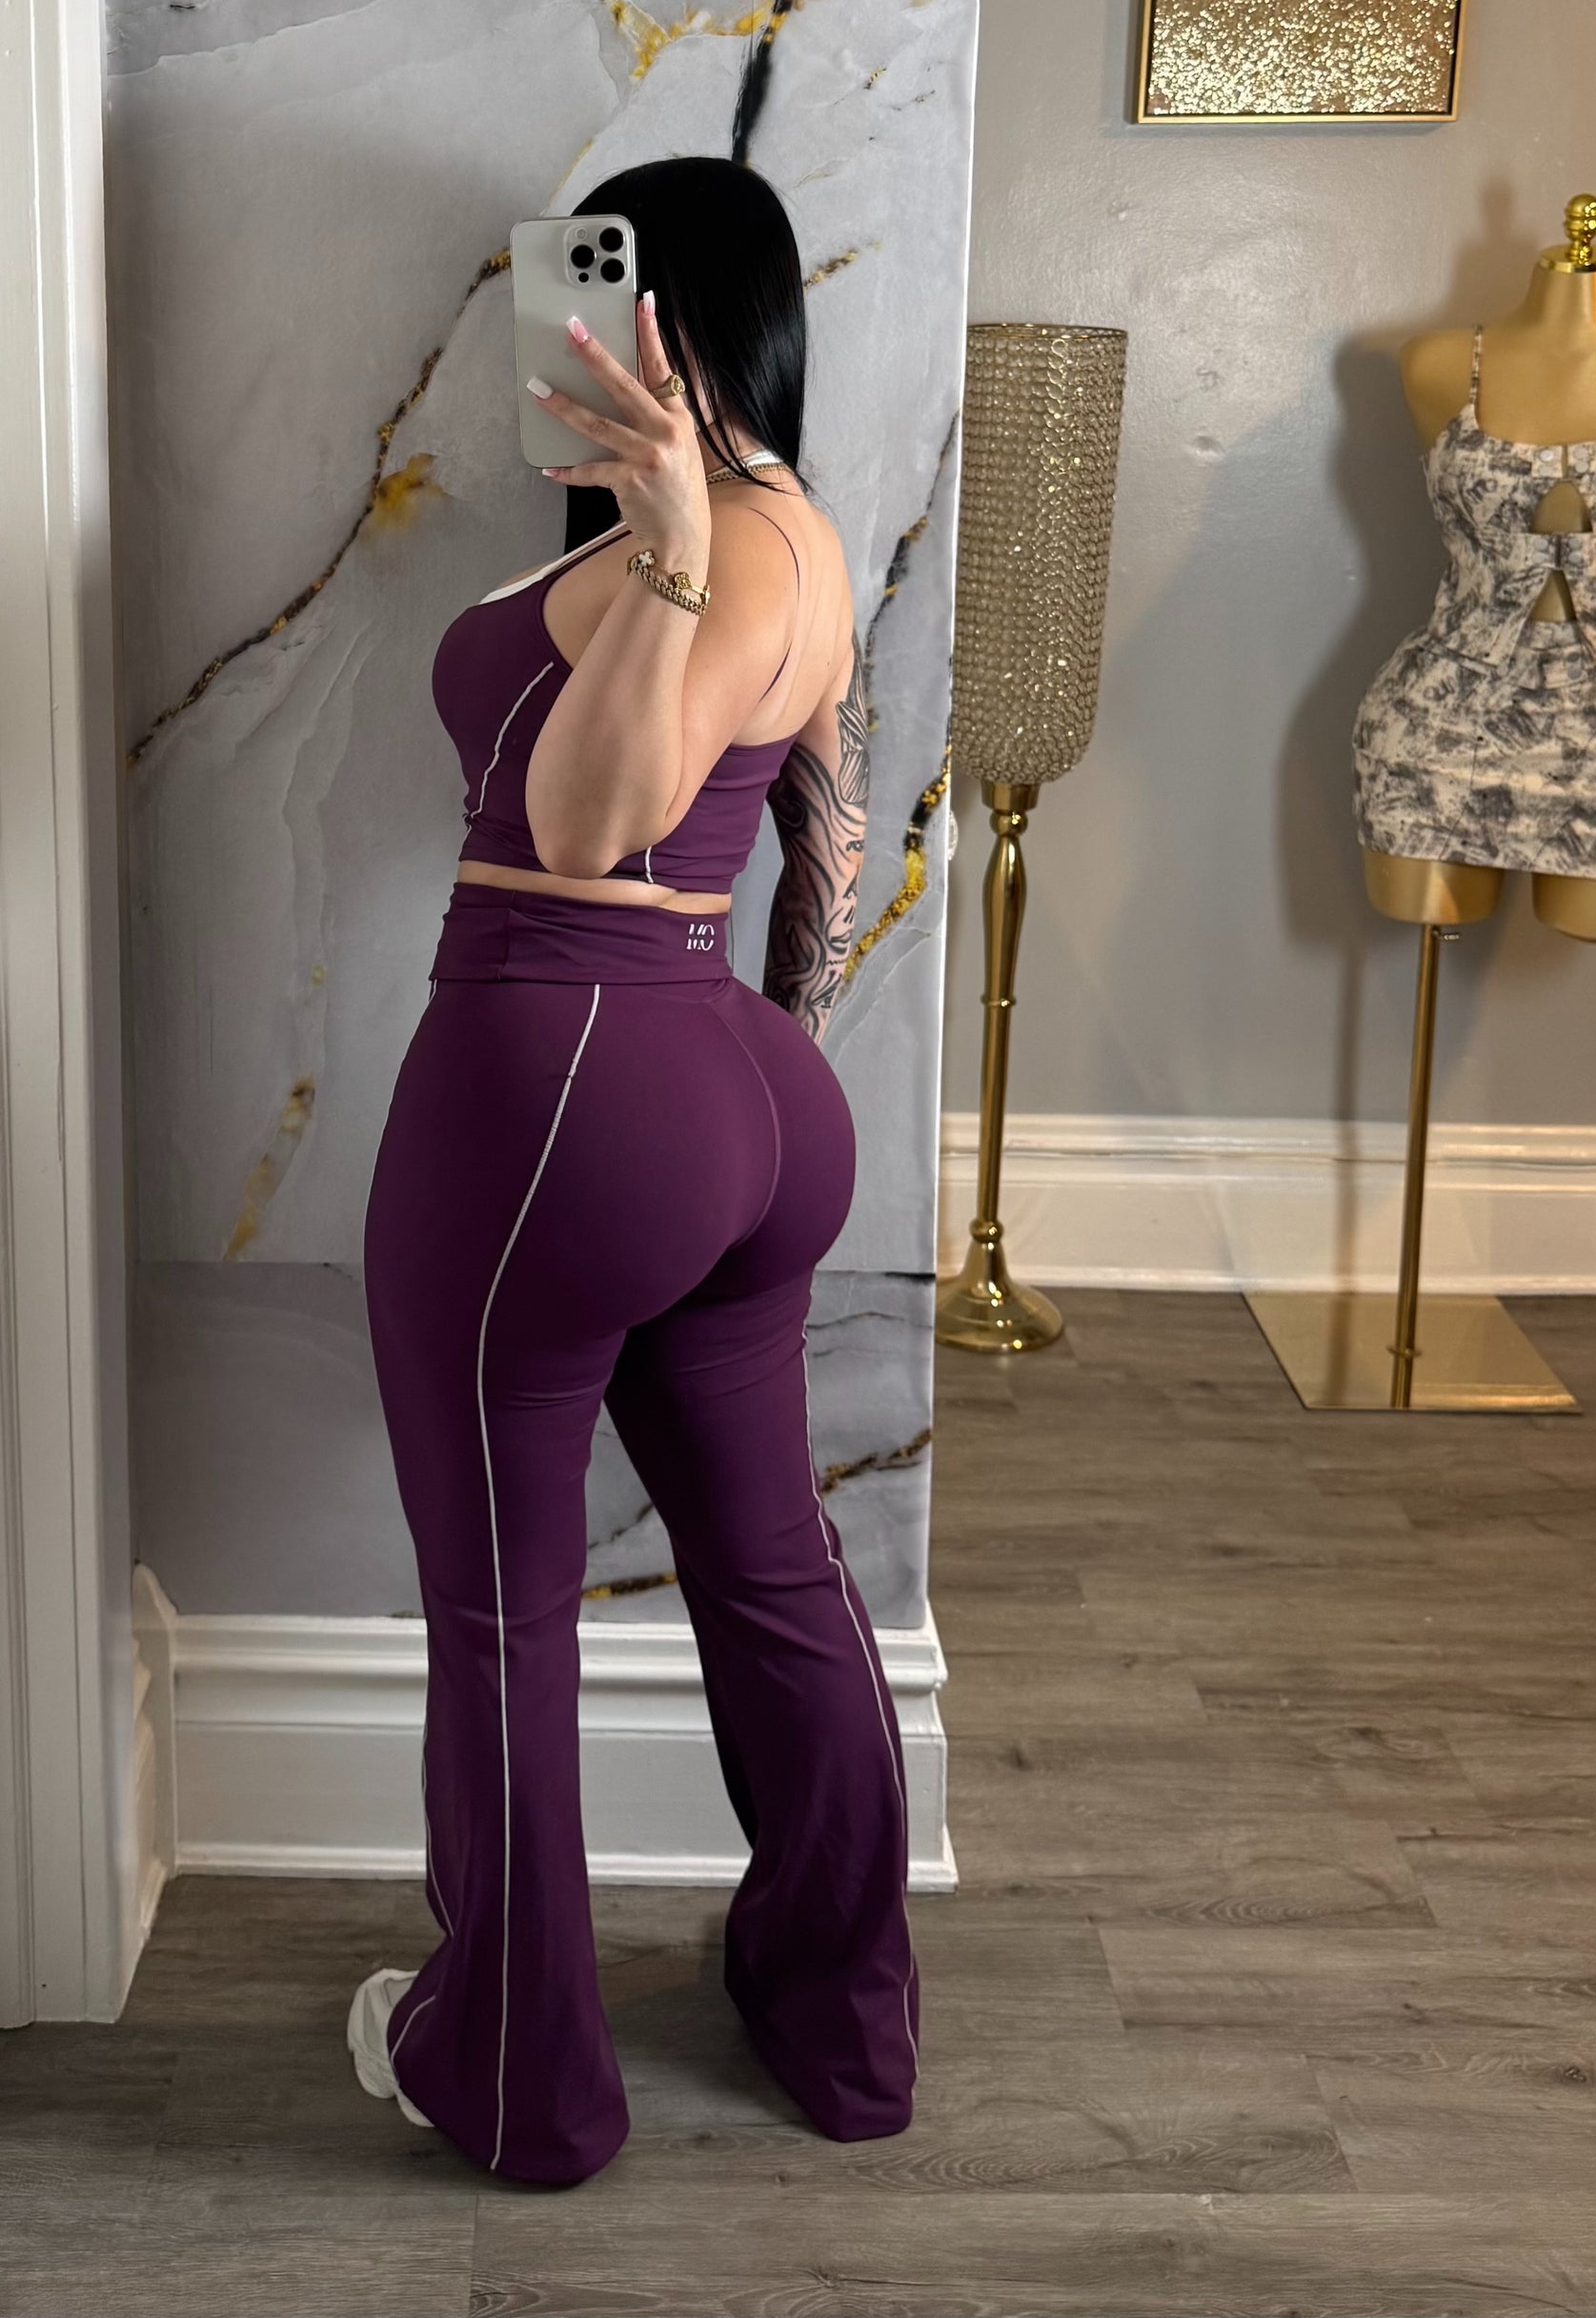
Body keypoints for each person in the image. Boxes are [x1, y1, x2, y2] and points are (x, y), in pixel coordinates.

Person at [346, 156, 919, 2186]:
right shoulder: (810, 532)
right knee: (772, 1563)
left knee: (502, 1608)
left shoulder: (703, 540)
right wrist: (764, 1078)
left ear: (665, 321)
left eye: (590, 300)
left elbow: (590, 829)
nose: (560, 341)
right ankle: (846, 2032)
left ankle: (521, 2085)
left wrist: (661, 548)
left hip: (555, 1073)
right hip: (728, 1080)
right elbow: (827, 813)